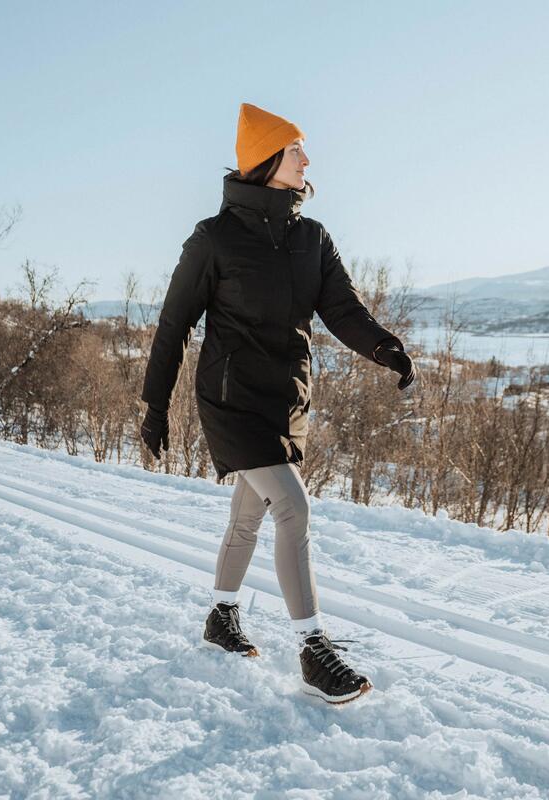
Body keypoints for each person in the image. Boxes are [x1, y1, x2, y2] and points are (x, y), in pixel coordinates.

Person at [140, 102, 415, 704]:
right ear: (268, 160)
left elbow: (342, 309)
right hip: (231, 397)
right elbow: (173, 325)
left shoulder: (310, 238)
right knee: (292, 507)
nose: (309, 161)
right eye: (297, 151)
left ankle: (221, 617)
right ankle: (314, 651)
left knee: (250, 514)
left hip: (286, 397)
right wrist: (154, 406)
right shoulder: (213, 239)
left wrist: (386, 348)